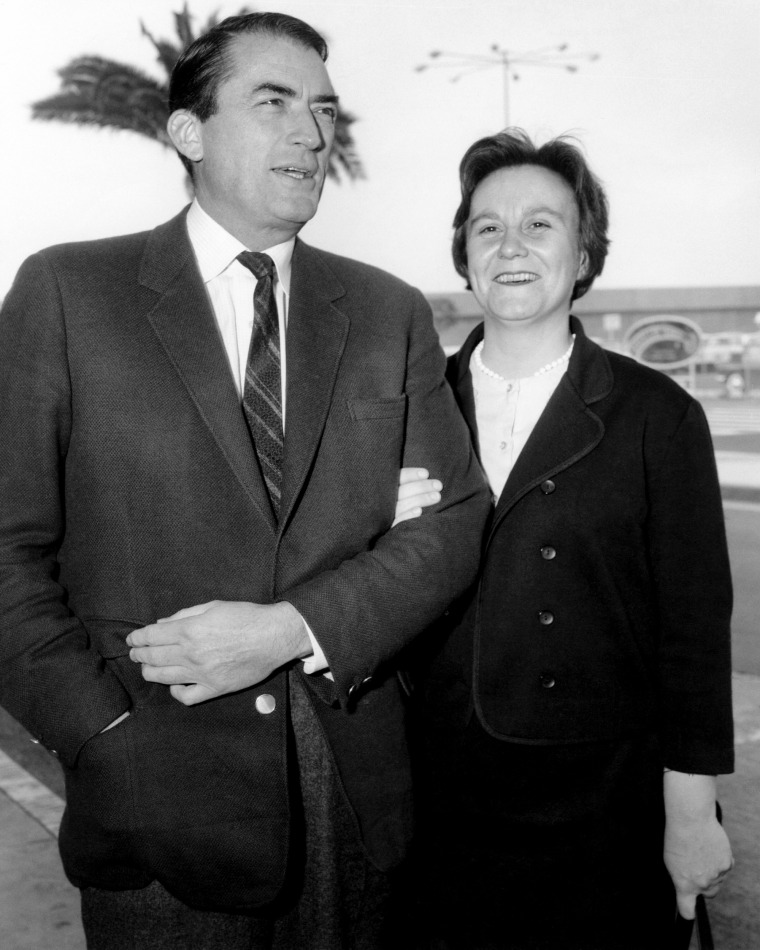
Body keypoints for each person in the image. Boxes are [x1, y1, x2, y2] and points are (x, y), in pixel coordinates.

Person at [0, 13, 490, 949]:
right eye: (274, 103)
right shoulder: (67, 295)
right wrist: (101, 736)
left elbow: (456, 516)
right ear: (189, 132)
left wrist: (293, 629)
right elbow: (7, 549)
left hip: (352, 791)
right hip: (155, 798)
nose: (310, 134)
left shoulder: (386, 311)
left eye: (323, 111)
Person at [413, 129, 734, 950]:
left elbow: (693, 635)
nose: (511, 246)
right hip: (438, 813)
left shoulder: (657, 417)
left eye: (541, 225)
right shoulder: (407, 411)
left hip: (603, 813)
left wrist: (691, 816)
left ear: (584, 250)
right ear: (464, 253)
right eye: (488, 227)